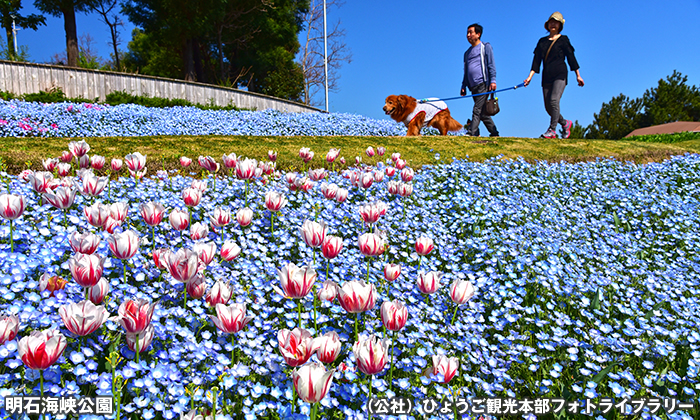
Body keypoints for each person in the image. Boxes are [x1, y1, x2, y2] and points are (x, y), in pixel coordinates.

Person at [523, 11, 584, 139]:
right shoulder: (542, 42)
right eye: (551, 21)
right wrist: (530, 77)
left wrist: (578, 75)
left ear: (560, 25)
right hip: (546, 76)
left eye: (555, 22)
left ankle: (552, 130)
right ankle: (565, 123)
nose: (553, 24)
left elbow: (571, 58)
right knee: (548, 107)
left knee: (554, 100)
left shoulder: (564, 40)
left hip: (560, 74)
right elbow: (536, 61)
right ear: (547, 24)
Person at [460, 23, 499, 137]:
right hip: (473, 86)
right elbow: (466, 71)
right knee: (482, 113)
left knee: (476, 110)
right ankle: (494, 133)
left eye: (471, 32)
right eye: (467, 33)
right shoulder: (466, 53)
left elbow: (491, 64)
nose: (468, 35)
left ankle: (471, 133)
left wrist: (493, 81)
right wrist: (463, 86)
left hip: (483, 84)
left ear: (478, 34)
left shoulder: (485, 47)